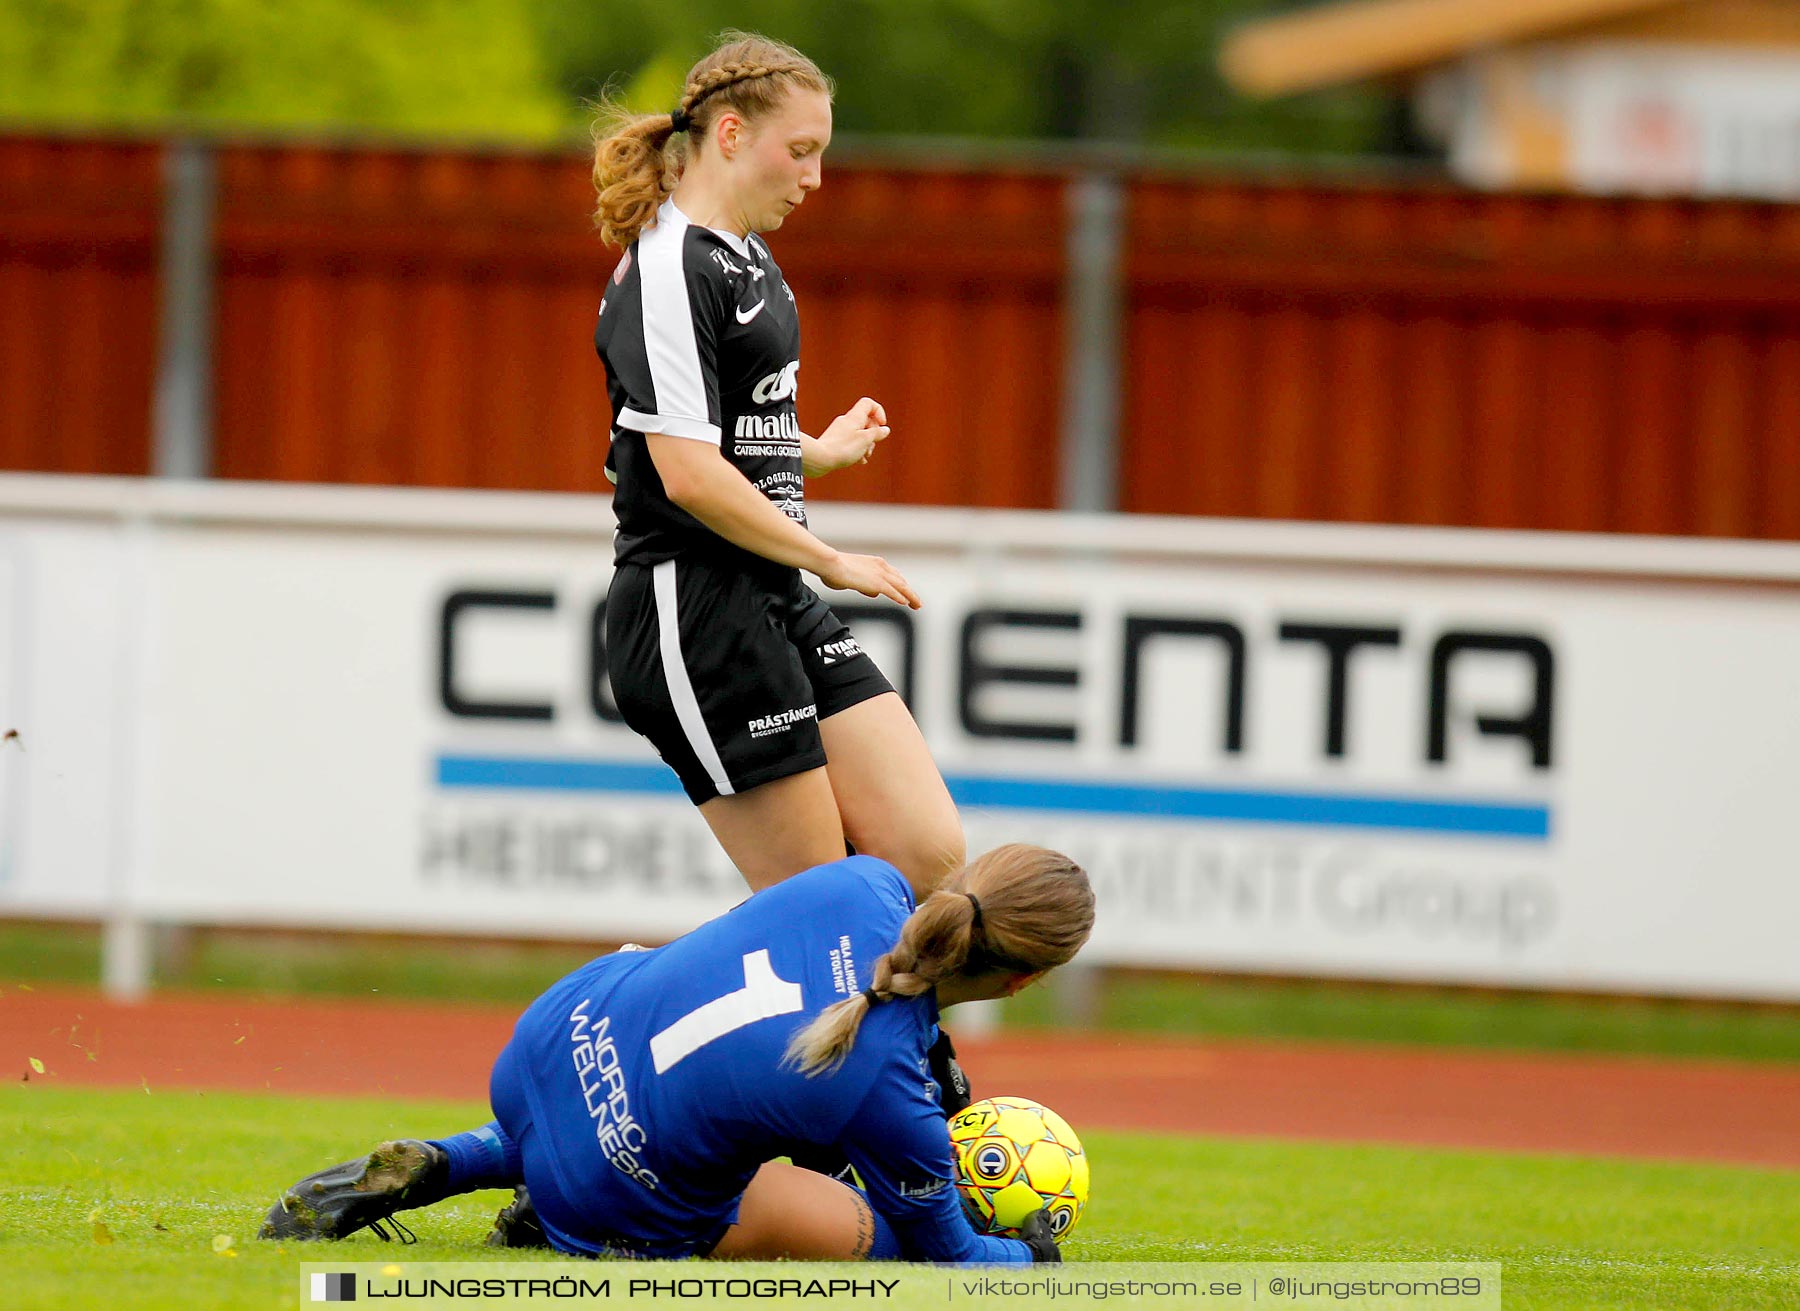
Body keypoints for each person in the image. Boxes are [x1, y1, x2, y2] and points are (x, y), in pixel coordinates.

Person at [259, 844, 1095, 1263]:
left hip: (549, 1038)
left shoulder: (863, 878)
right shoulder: (888, 1086)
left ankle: (448, 1159)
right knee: (872, 1232)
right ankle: (552, 1213)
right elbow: (948, 1255)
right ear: (1023, 979)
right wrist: (1030, 1251)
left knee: (690, 1094)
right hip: (613, 1187)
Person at [590, 32, 964, 899]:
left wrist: (816, 452)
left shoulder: (744, 255)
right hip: (694, 610)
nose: (815, 177)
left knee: (928, 857)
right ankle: (636, 1012)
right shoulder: (669, 267)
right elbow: (683, 472)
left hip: (769, 588)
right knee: (827, 912)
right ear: (728, 135)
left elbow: (717, 437)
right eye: (800, 151)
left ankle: (868, 1031)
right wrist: (829, 558)